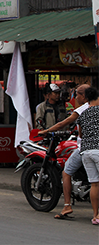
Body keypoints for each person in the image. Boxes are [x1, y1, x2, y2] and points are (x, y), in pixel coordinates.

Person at [40, 84, 90, 219]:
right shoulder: (95, 108)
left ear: (83, 96)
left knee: (66, 172)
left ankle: (67, 205)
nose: (75, 97)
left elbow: (63, 123)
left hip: (84, 148)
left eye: (77, 95)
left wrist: (46, 131)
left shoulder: (82, 109)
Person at [75, 86, 99, 225]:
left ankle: (95, 216)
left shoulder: (83, 114)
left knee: (95, 184)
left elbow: (81, 134)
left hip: (86, 151)